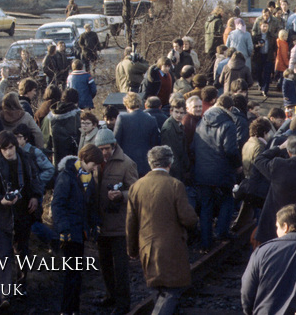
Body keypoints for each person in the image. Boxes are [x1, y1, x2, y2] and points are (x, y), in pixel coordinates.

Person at [126, 145, 198, 315]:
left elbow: (131, 222)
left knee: (157, 289)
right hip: (171, 248)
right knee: (172, 291)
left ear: (150, 163)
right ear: (170, 163)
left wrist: (132, 249)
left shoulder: (136, 187)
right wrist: (195, 222)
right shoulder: (175, 185)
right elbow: (187, 218)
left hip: (147, 248)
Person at [0, 130, 42, 309]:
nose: (8, 152)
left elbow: (34, 180)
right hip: (3, 216)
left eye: (10, 148)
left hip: (23, 213)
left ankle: (21, 287)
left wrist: (35, 196)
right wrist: (1, 201)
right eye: (4, 149)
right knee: (4, 254)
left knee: (22, 252)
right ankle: (5, 295)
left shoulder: (26, 159)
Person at [52, 144, 102, 315]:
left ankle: (74, 308)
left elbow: (91, 206)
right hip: (70, 232)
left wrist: (94, 224)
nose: (95, 168)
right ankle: (67, 310)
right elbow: (58, 204)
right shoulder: (66, 177)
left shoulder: (88, 178)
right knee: (71, 274)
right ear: (84, 160)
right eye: (94, 164)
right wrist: (63, 229)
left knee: (76, 273)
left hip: (80, 232)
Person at [93, 128, 139, 314]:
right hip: (101, 223)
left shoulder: (127, 164)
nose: (104, 152)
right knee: (104, 264)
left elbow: (135, 191)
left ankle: (123, 303)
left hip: (119, 224)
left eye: (107, 148)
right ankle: (110, 295)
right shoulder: (95, 162)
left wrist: (122, 194)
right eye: (101, 149)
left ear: (114, 145)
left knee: (120, 267)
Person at [192, 94, 240, 251]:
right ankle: (222, 232)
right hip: (222, 171)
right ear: (230, 108)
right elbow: (231, 150)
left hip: (202, 171)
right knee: (228, 199)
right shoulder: (228, 124)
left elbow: (193, 147)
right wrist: (237, 165)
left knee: (206, 206)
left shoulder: (201, 121)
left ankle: (206, 242)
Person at [253, 136, 296, 245]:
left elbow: (259, 159)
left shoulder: (278, 165)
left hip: (274, 223)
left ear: (289, 152)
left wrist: (279, 147)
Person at [114, 92, 161, 176]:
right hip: (146, 163)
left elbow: (116, 142)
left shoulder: (122, 119)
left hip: (127, 163)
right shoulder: (151, 120)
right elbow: (155, 144)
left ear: (126, 105)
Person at [42, 87, 81, 166]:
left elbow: (45, 140)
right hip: (75, 158)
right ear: (76, 102)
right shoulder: (78, 116)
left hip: (54, 159)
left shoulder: (49, 117)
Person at [161, 98, 190, 183]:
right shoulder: (169, 128)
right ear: (171, 111)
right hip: (174, 169)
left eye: (181, 113)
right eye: (176, 112)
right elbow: (171, 153)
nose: (179, 115)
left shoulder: (178, 125)